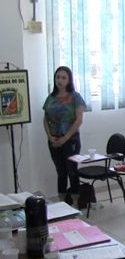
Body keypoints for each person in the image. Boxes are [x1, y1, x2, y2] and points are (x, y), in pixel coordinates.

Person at [43, 66, 86, 205]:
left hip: (70, 140)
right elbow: (45, 119)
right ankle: (61, 203)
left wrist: (64, 139)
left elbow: (79, 120)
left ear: (69, 80)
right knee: (61, 172)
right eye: (57, 77)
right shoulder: (51, 97)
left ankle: (75, 202)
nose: (60, 80)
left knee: (72, 171)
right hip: (54, 140)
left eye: (63, 78)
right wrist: (50, 136)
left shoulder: (75, 97)